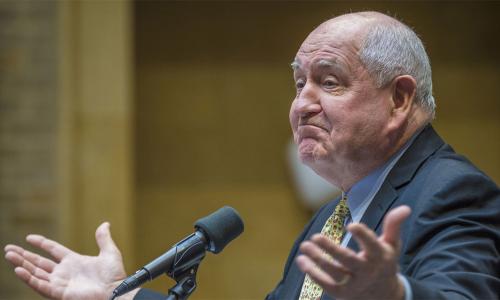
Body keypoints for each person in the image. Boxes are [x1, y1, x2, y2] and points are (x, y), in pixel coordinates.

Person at [4, 11, 500, 300]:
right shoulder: (334, 217)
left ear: (399, 99)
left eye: (329, 82)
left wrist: (394, 296)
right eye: (299, 83)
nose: (303, 102)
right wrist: (123, 294)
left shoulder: (453, 191)